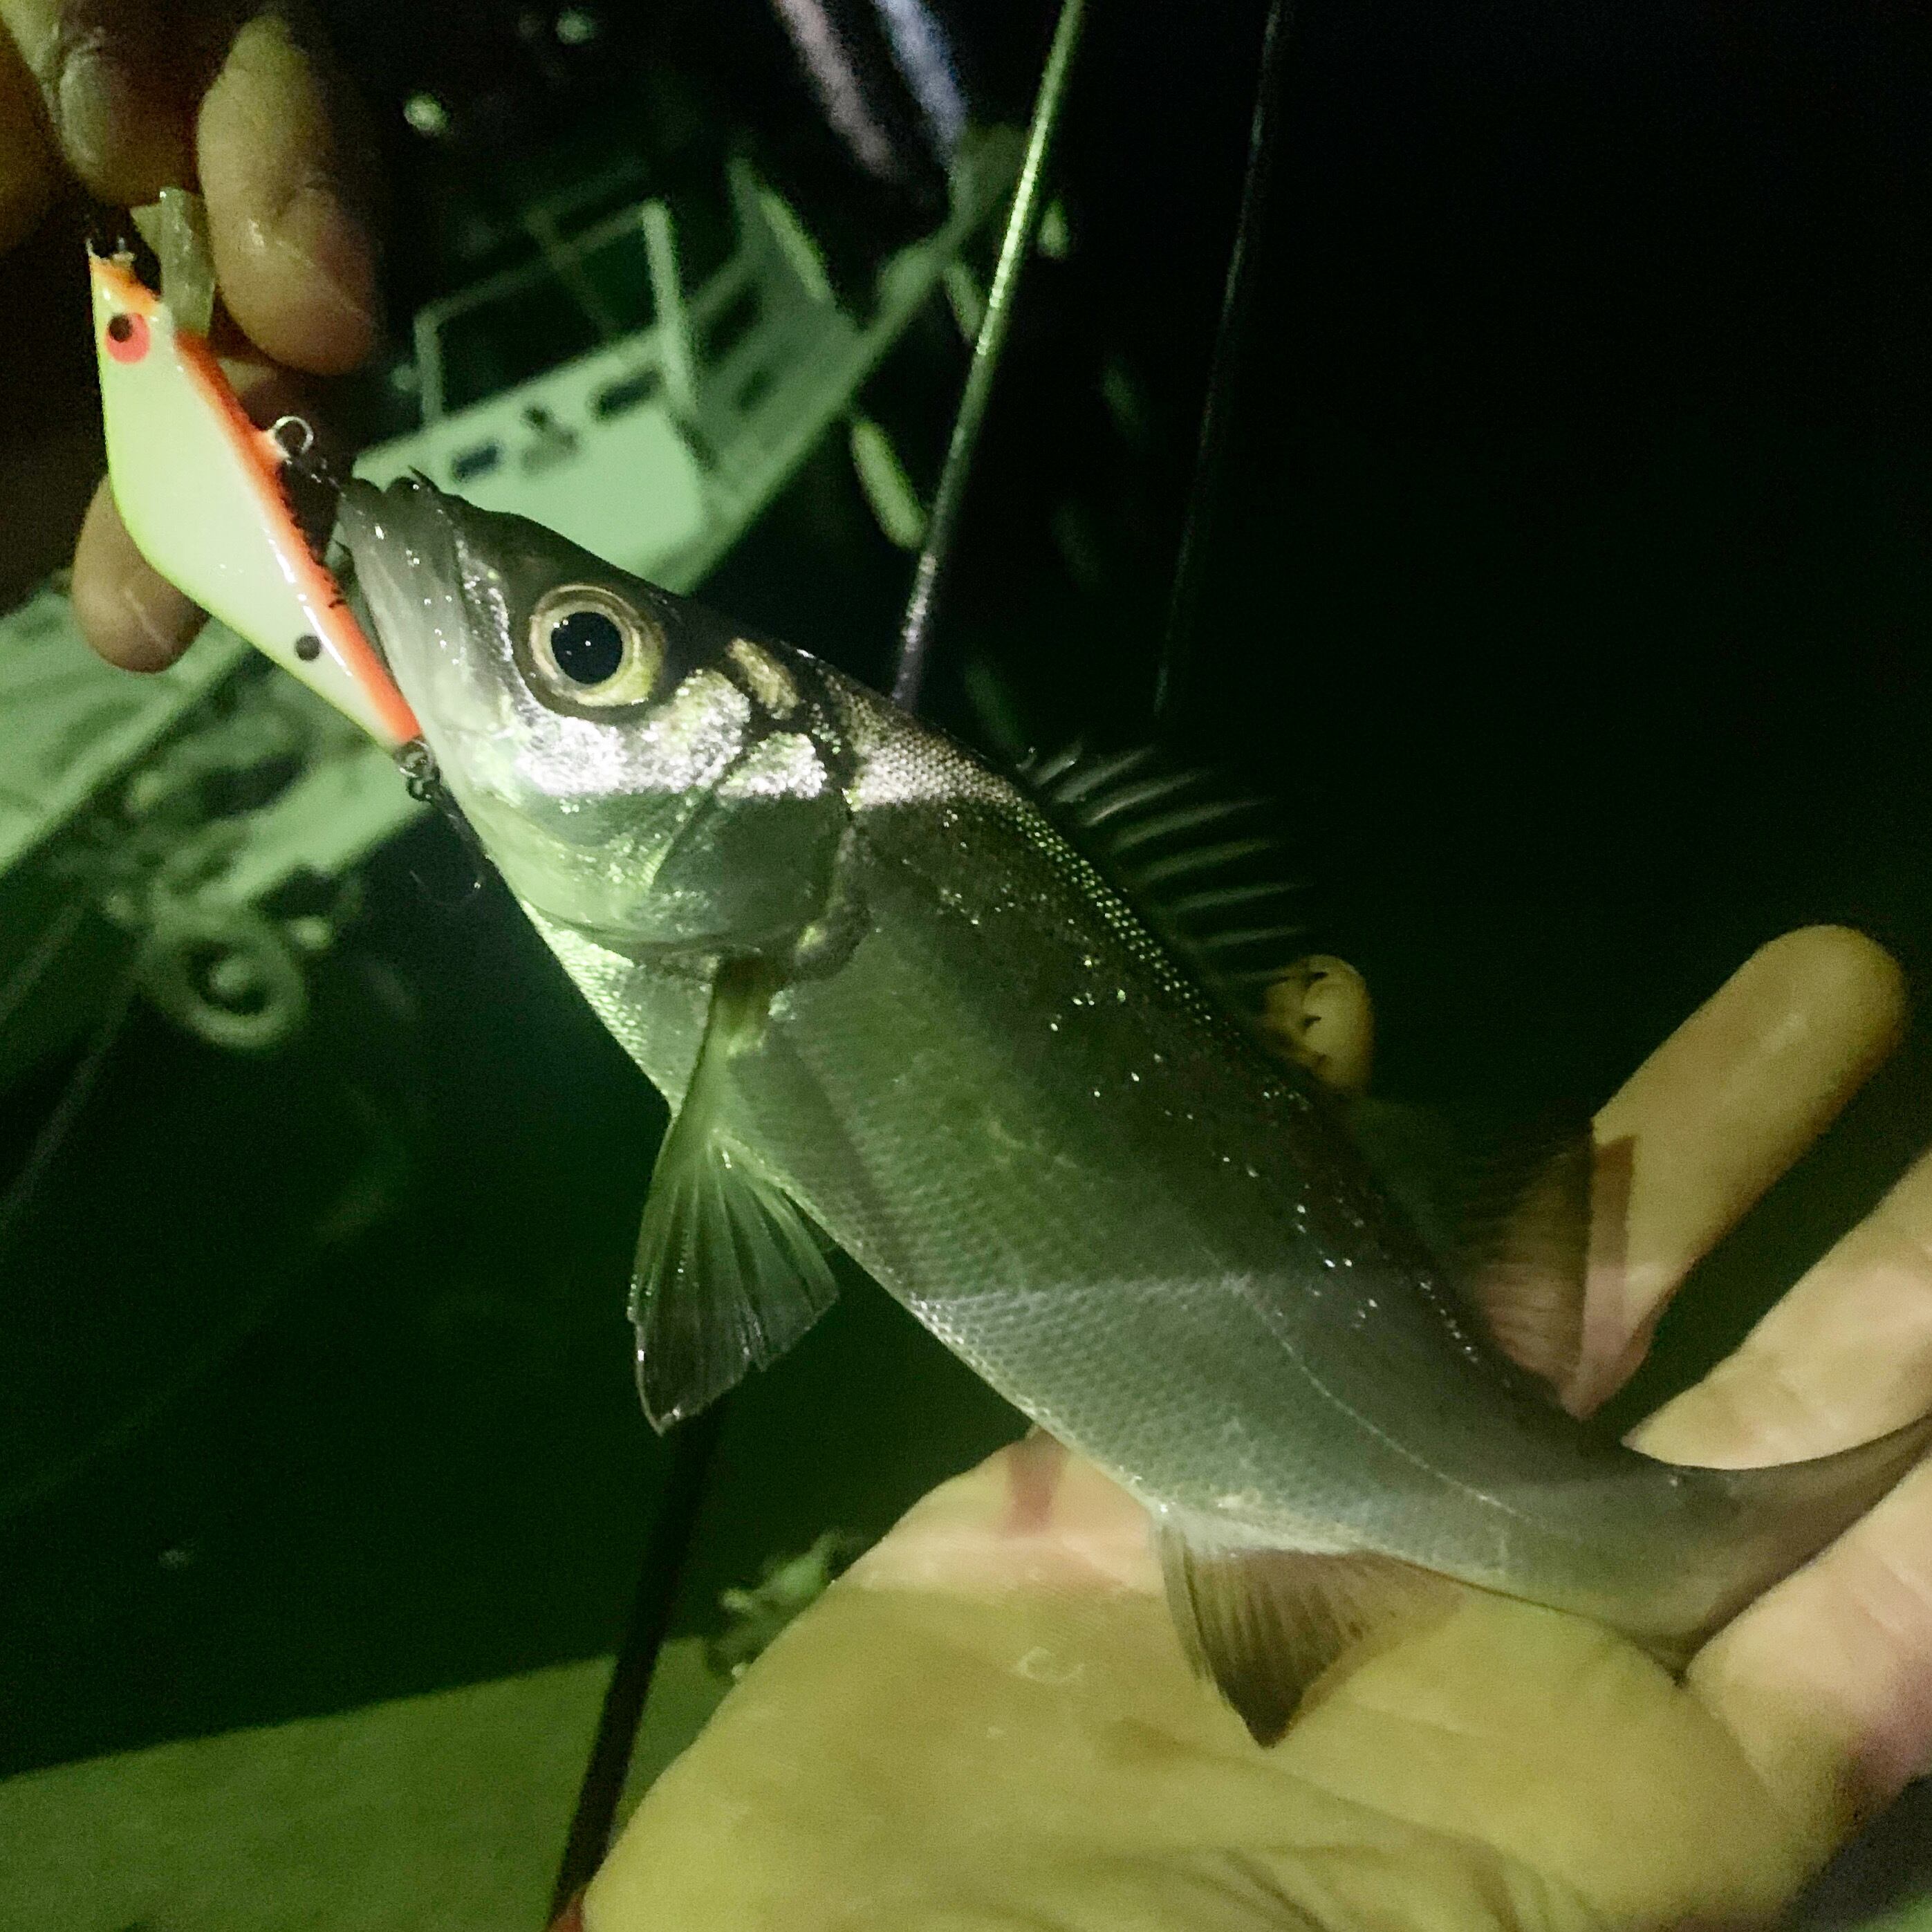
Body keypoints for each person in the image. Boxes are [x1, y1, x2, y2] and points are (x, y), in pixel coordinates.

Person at [4, 15, 1930, 1928]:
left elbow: (716, 1282)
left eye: (585, 654)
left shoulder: (791, 918)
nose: (516, 622)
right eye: (590, 650)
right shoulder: (778, 906)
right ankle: (1678, 1557)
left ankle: (1696, 1552)